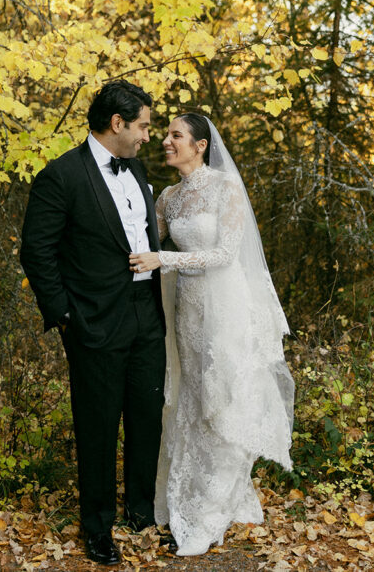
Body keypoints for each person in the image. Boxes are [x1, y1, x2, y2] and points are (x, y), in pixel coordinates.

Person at [128, 113, 294, 556]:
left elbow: (223, 254)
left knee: (223, 395)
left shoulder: (226, 188)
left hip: (225, 306)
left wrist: (166, 259)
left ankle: (210, 507)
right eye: (164, 135)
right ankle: (192, 492)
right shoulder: (166, 197)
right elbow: (144, 238)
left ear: (200, 145)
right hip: (186, 310)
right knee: (193, 397)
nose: (166, 141)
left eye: (175, 136)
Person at [20, 80, 168, 566]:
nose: (150, 135)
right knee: (99, 425)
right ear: (117, 123)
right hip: (93, 322)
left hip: (148, 315)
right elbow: (36, 251)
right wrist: (64, 316)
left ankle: (142, 514)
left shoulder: (138, 169)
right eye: (143, 126)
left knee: (146, 418)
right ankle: (98, 526)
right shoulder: (60, 176)